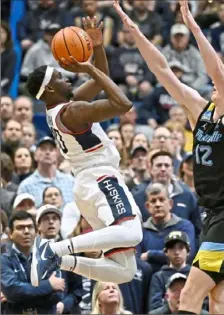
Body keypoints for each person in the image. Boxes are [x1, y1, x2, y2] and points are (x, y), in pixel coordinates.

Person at [114, 0, 224, 313]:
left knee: (188, 298)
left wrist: (193, 26)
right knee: (217, 300)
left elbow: (218, 72)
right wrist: (135, 31)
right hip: (213, 213)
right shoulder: (199, 109)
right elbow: (161, 69)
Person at [26, 17, 142, 286]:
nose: (67, 78)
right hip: (101, 179)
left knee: (124, 270)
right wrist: (89, 68)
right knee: (132, 232)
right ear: (51, 88)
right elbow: (124, 104)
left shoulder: (60, 108)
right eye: (60, 77)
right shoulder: (74, 111)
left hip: (87, 185)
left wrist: (97, 48)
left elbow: (103, 80)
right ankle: (53, 249)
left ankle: (59, 260)